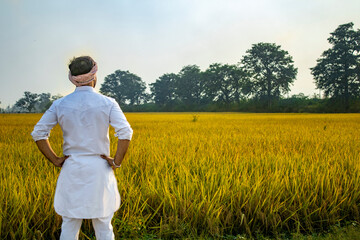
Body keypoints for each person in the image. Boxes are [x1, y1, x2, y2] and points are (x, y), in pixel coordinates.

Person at [31, 56, 133, 240]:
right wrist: (116, 162)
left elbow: (38, 133)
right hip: (99, 169)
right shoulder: (108, 103)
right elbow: (125, 132)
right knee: (103, 225)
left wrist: (55, 159)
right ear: (94, 75)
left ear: (72, 78)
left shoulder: (60, 104)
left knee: (69, 225)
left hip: (72, 168)